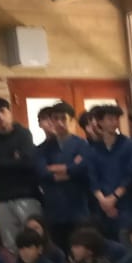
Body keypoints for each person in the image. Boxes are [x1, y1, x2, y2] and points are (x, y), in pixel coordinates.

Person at [0, 98, 43, 251]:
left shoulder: (23, 134)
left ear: (9, 112)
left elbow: (28, 163)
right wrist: (13, 160)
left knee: (34, 239)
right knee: (11, 245)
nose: (0, 117)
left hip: (26, 195)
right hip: (1, 198)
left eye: (2, 111)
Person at [36, 105, 92, 250]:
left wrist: (56, 169)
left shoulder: (82, 145)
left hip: (78, 207)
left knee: (82, 248)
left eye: (63, 119)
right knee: (59, 250)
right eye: (56, 119)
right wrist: (70, 167)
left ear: (71, 121)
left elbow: (82, 169)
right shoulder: (43, 149)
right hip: (54, 209)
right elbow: (42, 172)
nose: (60, 123)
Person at [88, 104, 132, 238]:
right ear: (100, 122)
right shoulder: (93, 149)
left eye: (116, 119)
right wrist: (103, 201)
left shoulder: (129, 145)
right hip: (101, 205)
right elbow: (91, 177)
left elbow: (130, 175)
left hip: (126, 204)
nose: (114, 122)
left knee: (126, 237)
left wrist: (113, 198)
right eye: (110, 119)